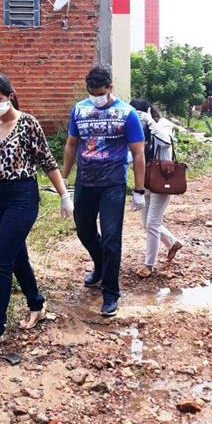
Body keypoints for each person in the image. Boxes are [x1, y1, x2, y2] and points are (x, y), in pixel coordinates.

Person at [0, 72, 73, 354]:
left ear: (10, 96)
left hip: (23, 195)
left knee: (1, 261)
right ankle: (37, 304)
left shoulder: (28, 123)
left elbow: (47, 160)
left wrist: (64, 195)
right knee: (17, 256)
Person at [62, 66, 146, 317]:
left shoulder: (127, 113)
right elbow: (71, 144)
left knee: (111, 239)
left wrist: (139, 190)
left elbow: (138, 152)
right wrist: (64, 179)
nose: (97, 96)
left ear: (110, 87)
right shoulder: (79, 109)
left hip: (112, 185)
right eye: (92, 92)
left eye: (101, 92)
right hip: (85, 183)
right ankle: (100, 265)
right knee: (84, 230)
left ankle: (111, 293)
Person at [129, 99, 183, 278]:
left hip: (162, 181)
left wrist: (150, 120)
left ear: (148, 111)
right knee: (146, 223)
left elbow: (166, 143)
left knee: (152, 224)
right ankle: (172, 242)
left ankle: (149, 265)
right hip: (146, 182)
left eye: (139, 114)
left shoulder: (163, 126)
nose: (138, 118)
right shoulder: (139, 131)